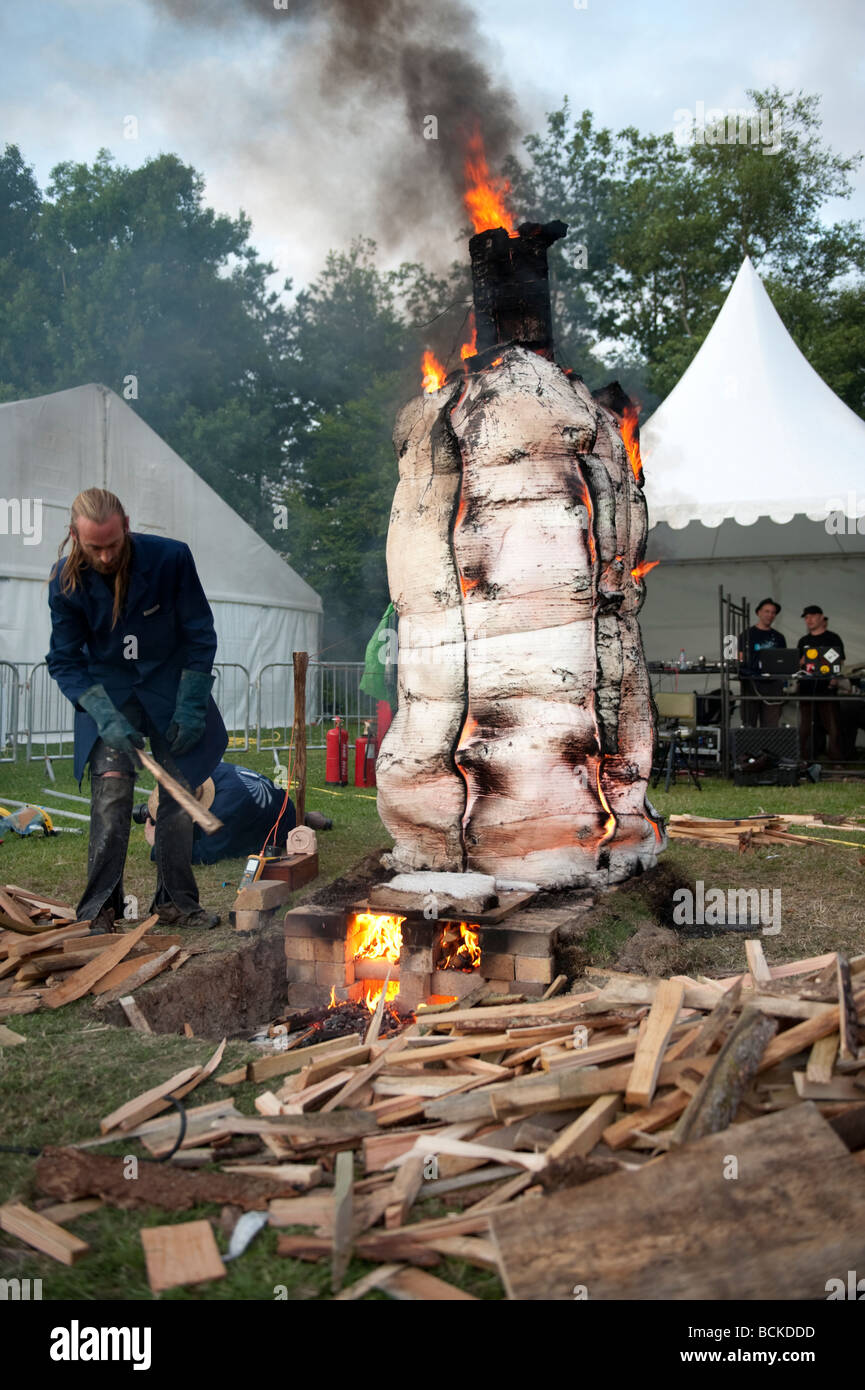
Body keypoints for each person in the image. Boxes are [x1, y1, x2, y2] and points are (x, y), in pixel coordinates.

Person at [46, 488, 228, 933]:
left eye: (113, 544)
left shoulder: (171, 559)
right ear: (74, 536)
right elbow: (65, 660)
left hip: (170, 689)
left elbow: (199, 634)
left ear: (126, 525)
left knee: (179, 796)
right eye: (94, 547)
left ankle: (176, 902)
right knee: (111, 797)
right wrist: (103, 715)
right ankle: (101, 907)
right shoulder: (64, 582)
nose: (106, 557)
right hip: (108, 695)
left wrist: (191, 702)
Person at [139, 762, 300, 865]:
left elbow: (206, 853)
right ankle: (305, 818)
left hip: (283, 827)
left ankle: (303, 821)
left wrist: (159, 845)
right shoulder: (212, 770)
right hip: (282, 806)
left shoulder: (222, 812)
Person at [796, 605, 845, 762]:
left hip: (826, 689)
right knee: (805, 727)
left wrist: (834, 678)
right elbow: (796, 664)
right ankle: (803, 759)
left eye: (811, 616)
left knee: (832, 726)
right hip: (806, 688)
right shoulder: (803, 641)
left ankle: (836, 761)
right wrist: (800, 661)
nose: (808, 620)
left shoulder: (833, 638)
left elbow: (840, 661)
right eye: (806, 617)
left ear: (821, 617)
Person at [738, 598, 787, 728]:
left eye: (773, 612)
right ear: (759, 613)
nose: (770, 615)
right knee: (749, 723)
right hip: (751, 684)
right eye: (767, 611)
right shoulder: (746, 634)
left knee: (771, 724)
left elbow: (784, 661)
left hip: (773, 685)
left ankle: (768, 748)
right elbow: (739, 659)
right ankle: (749, 748)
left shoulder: (779, 637)